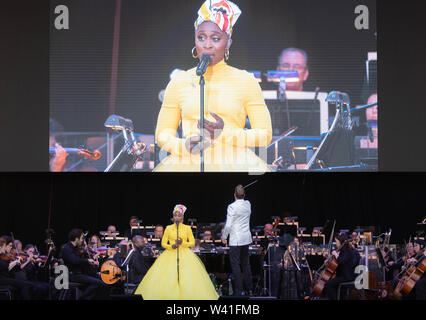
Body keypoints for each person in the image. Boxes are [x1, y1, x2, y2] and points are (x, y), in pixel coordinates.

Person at [153, 0, 272, 172]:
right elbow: (162, 134)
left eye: (216, 38)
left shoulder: (245, 80)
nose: (207, 44)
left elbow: (265, 135)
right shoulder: (179, 81)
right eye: (201, 37)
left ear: (228, 42)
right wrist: (182, 145)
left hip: (235, 163)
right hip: (187, 161)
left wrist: (224, 133)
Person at [135, 205, 218, 300]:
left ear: (182, 217)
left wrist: (182, 243)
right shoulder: (168, 228)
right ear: (173, 217)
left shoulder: (187, 228)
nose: (177, 217)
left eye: (179, 215)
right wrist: (172, 246)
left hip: (185, 254)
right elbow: (163, 243)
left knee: (187, 276)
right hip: (170, 254)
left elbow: (192, 242)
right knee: (168, 276)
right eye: (175, 215)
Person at [221, 184, 253, 295]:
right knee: (245, 264)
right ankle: (249, 289)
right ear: (244, 195)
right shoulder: (248, 204)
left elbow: (228, 225)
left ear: (234, 195)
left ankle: (240, 290)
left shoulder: (232, 207)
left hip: (236, 240)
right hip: (246, 239)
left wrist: (224, 236)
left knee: (235, 265)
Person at [61, 229, 109, 300]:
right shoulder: (67, 248)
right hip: (71, 275)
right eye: (82, 238)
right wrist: (87, 260)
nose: (83, 241)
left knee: (102, 282)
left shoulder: (75, 248)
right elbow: (74, 261)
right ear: (76, 239)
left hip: (79, 274)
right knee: (98, 283)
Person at [323, 232, 360, 300]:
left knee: (328, 284)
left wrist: (336, 255)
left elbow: (341, 261)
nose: (336, 243)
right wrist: (329, 259)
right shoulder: (343, 250)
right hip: (343, 275)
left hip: (347, 276)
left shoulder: (347, 250)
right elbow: (337, 263)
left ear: (340, 242)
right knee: (331, 283)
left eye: (336, 241)